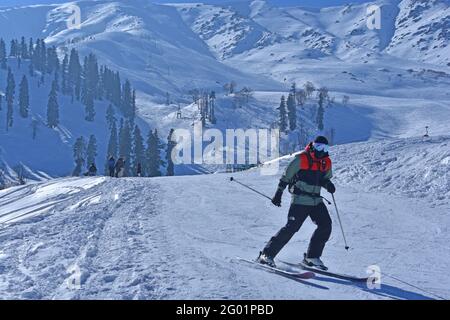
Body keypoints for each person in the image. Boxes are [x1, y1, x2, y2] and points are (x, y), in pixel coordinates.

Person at [257, 136, 336, 270]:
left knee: (325, 225)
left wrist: (328, 184)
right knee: (291, 228)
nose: (321, 150)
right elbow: (286, 177)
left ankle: (312, 257)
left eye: (324, 148)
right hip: (300, 200)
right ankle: (266, 255)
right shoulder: (301, 159)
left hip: (316, 200)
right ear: (312, 145)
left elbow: (324, 178)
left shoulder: (326, 162)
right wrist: (278, 193)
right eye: (318, 147)